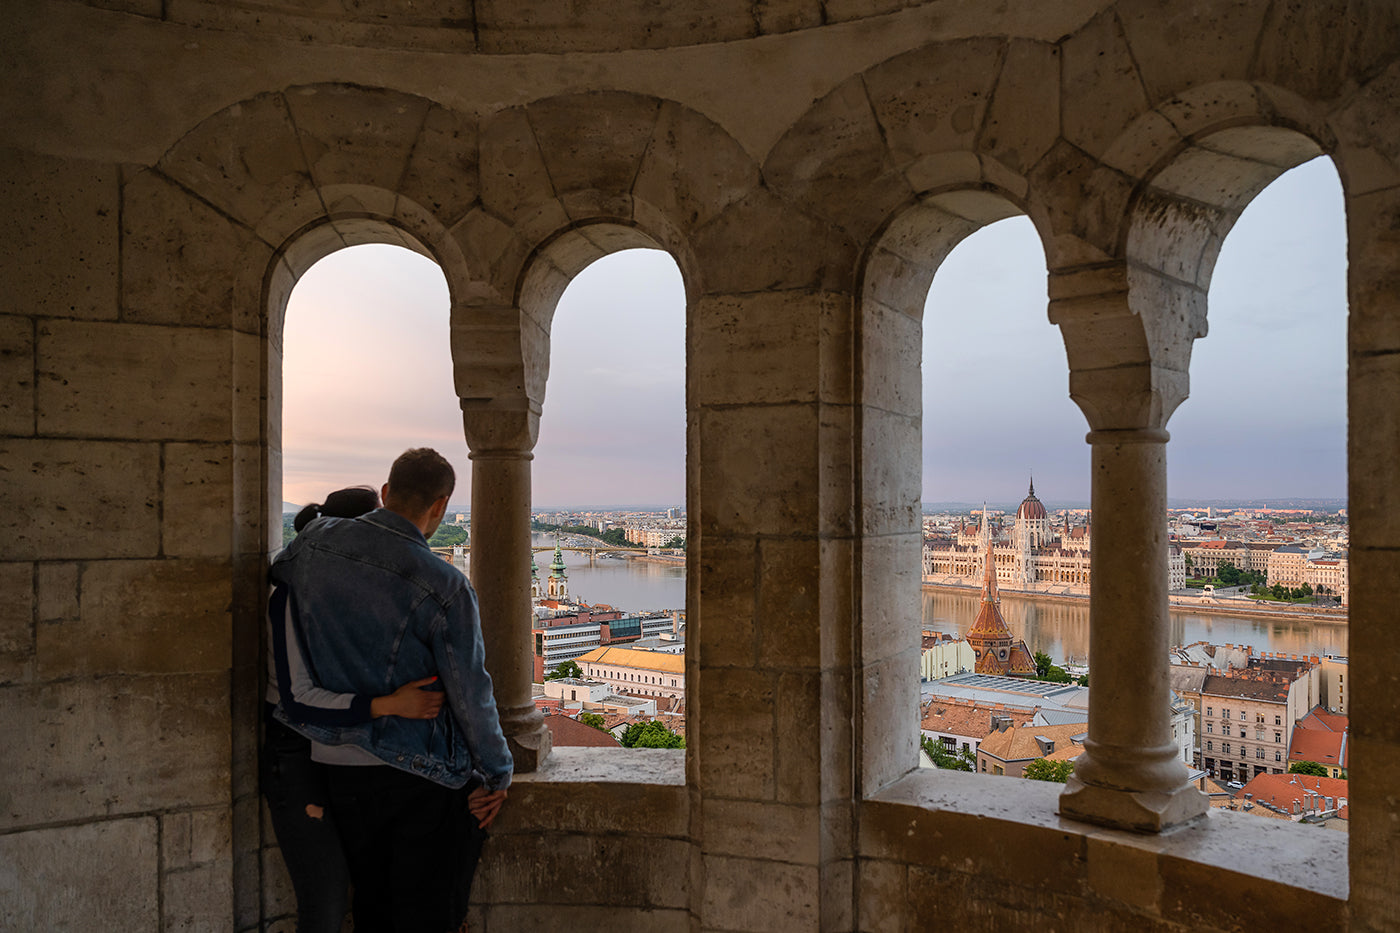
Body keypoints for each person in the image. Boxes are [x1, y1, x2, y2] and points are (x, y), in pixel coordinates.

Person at [270, 449, 513, 933]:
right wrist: (498, 771)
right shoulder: (445, 585)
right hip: (416, 771)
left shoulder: (314, 542)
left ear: (384, 493)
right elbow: (470, 691)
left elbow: (281, 573)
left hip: (337, 765)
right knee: (430, 912)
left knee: (374, 907)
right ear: (441, 506)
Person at [263, 486, 446, 933]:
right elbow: (298, 699)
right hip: (299, 754)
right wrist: (393, 703)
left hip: (344, 754)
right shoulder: (291, 594)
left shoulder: (344, 592)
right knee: (325, 900)